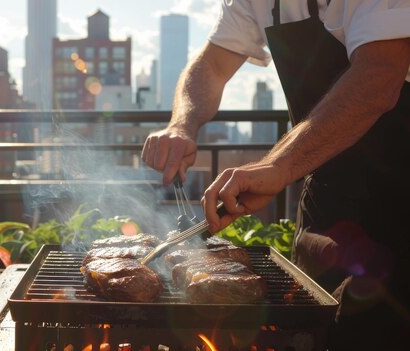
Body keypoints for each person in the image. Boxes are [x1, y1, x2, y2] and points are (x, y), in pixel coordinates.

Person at [142, 1, 410, 350]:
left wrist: (278, 167)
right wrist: (182, 124)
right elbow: (212, 64)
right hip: (326, 189)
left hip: (401, 195)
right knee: (312, 330)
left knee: (378, 330)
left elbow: (378, 76)